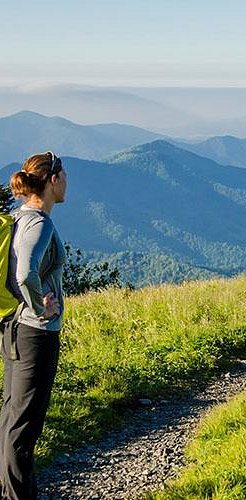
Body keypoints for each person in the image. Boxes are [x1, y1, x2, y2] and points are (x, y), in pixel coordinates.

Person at [0, 152, 67, 499]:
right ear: (53, 181)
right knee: (23, 427)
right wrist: (40, 305)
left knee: (11, 415)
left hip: (12, 330)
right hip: (34, 334)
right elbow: (24, 273)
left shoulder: (17, 216)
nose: (68, 182)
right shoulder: (39, 223)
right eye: (65, 175)